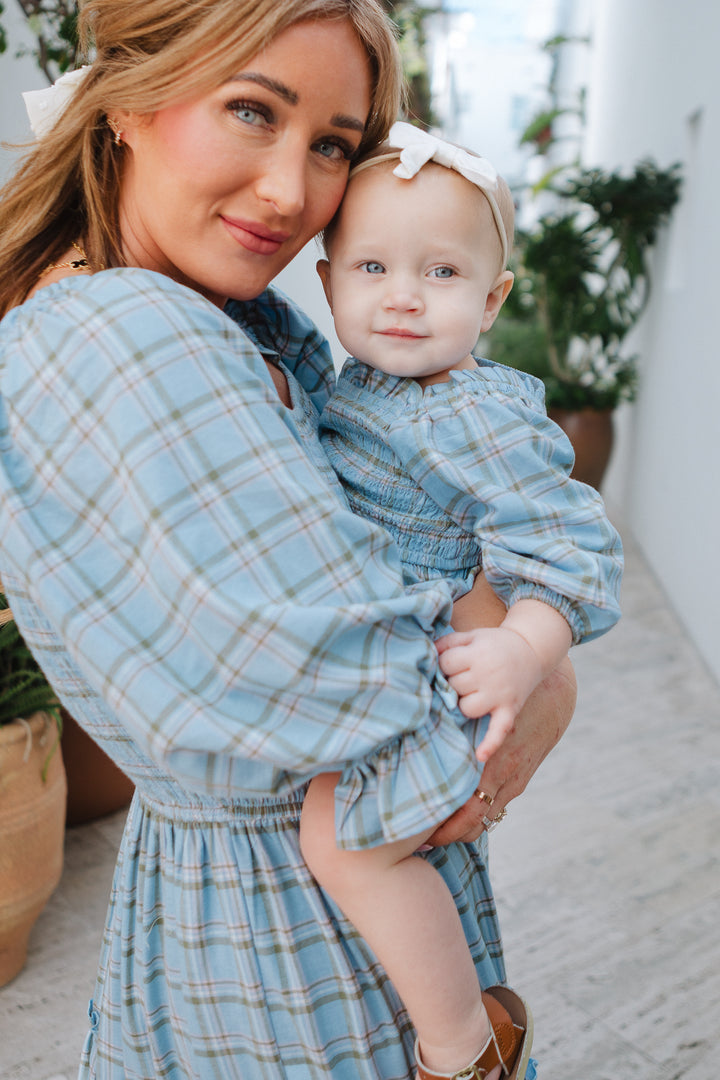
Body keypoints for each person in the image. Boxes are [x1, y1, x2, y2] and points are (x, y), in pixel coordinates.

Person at [0, 2, 577, 1077]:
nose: (288, 192)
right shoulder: (128, 334)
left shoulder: (228, 318)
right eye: (250, 111)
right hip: (295, 938)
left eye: (331, 146)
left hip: (334, 888)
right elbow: (383, 696)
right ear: (127, 99)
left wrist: (515, 653)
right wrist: (539, 670)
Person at [301, 123, 623, 1080]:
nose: (402, 295)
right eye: (372, 266)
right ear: (328, 286)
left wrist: (524, 649)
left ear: (493, 302)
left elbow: (574, 544)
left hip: (440, 673)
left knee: (345, 844)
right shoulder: (348, 385)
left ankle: (462, 1048)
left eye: (441, 274)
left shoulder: (480, 413)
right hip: (380, 656)